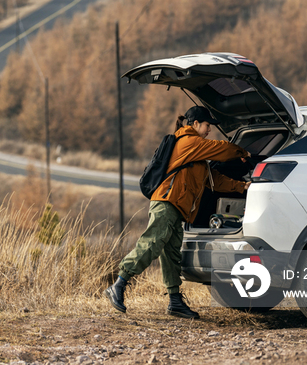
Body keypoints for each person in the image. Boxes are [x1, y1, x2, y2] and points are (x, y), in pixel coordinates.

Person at [105, 106, 251, 319]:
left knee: (172, 255)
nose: (209, 129)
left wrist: (242, 187)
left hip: (177, 207)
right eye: (207, 125)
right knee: (152, 244)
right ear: (195, 124)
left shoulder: (197, 153)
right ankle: (119, 284)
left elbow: (214, 180)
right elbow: (222, 149)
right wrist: (242, 151)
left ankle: (175, 302)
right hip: (166, 202)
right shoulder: (189, 142)